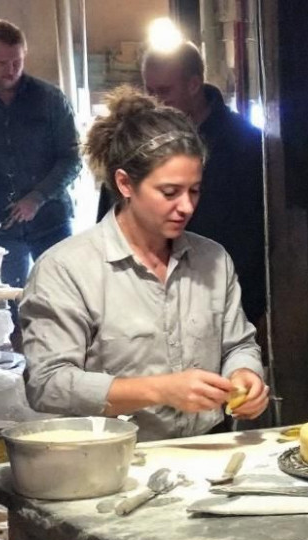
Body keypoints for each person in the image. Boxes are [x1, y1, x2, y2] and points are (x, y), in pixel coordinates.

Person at [20, 87, 269, 441]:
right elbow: (48, 384)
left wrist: (247, 375)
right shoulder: (66, 270)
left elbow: (238, 345)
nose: (186, 206)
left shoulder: (212, 259)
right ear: (125, 183)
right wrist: (159, 389)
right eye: (169, 192)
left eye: (194, 190)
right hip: (110, 460)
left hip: (207, 451)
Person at [97, 41, 267, 326]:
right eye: (149, 90)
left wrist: (252, 305)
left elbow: (259, 231)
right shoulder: (133, 144)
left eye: (164, 91)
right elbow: (110, 216)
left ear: (193, 85)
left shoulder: (246, 145)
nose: (155, 101)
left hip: (221, 292)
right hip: (148, 295)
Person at [0, 19, 80, 290]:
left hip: (51, 218)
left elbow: (72, 157)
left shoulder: (50, 99)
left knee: (66, 295)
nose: (11, 71)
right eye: (3, 63)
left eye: (17, 62)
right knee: (6, 302)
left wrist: (37, 197)